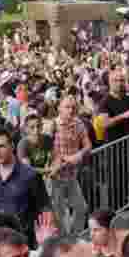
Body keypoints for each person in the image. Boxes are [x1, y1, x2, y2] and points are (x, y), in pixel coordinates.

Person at [0, 125, 52, 244]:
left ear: (12, 146)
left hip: (25, 240)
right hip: (0, 240)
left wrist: (45, 242)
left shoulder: (30, 175)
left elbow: (45, 209)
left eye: (1, 146)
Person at [47, 95, 91, 234]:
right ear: (59, 108)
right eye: (67, 107)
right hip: (55, 177)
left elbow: (88, 144)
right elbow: (46, 150)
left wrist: (79, 154)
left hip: (71, 176)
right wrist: (62, 159)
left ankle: (74, 236)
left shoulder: (78, 123)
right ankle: (65, 242)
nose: (71, 110)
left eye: (73, 107)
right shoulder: (52, 125)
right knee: (60, 214)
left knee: (81, 208)